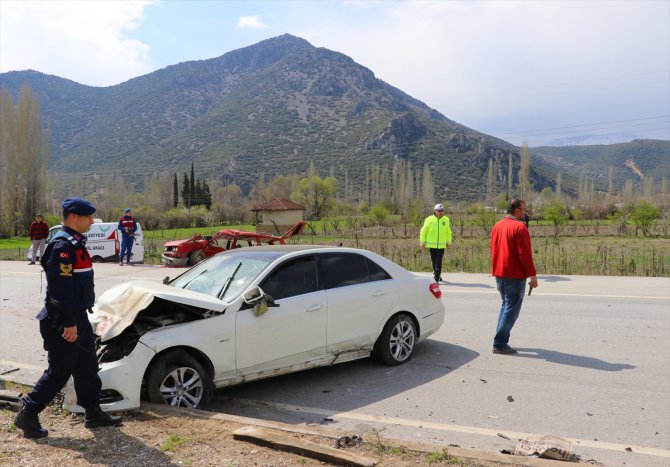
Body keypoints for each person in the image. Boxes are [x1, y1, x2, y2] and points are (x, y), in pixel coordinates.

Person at [14, 197, 122, 439]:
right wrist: (69, 323)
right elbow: (60, 291)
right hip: (62, 321)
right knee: (60, 371)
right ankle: (28, 413)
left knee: (87, 367)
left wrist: (77, 321)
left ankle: (93, 413)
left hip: (78, 318)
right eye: (88, 217)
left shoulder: (75, 243)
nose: (92, 222)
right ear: (73, 217)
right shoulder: (62, 246)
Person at [490, 199, 538, 354]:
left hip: (500, 273)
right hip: (514, 275)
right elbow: (525, 255)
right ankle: (499, 343)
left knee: (506, 306)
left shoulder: (497, 226)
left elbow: (493, 249)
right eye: (523, 209)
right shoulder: (520, 227)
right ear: (517, 210)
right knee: (511, 310)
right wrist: (533, 275)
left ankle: (500, 341)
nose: (524, 212)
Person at [419, 203, 453, 283]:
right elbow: (423, 231)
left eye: (442, 211)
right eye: (439, 211)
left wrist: (449, 242)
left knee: (438, 261)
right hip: (431, 245)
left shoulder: (446, 219)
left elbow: (448, 232)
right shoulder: (429, 219)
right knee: (434, 262)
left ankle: (436, 278)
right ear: (435, 211)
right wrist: (422, 242)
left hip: (441, 245)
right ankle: (437, 274)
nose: (441, 212)